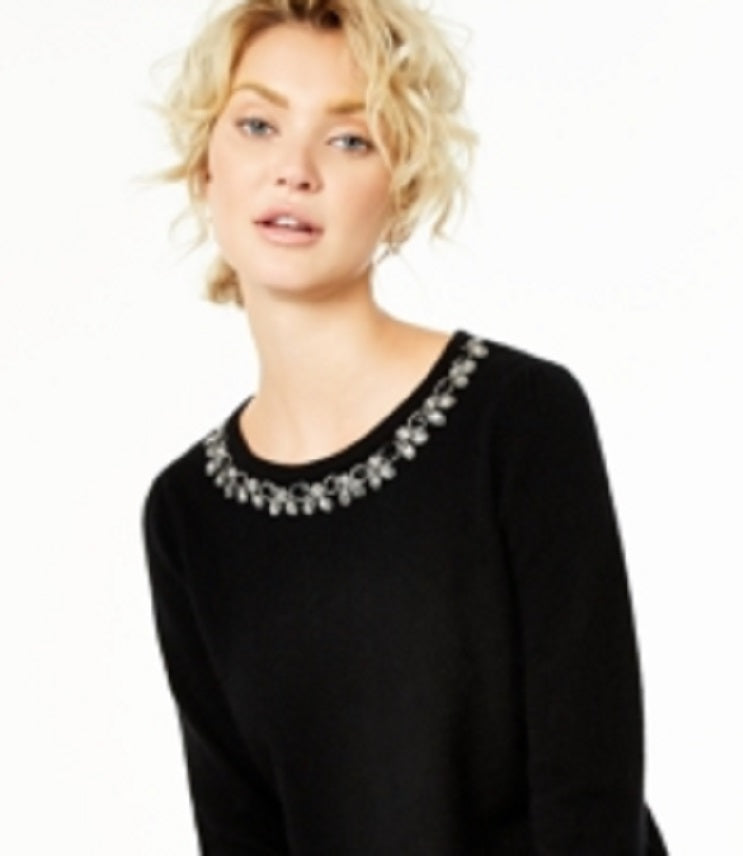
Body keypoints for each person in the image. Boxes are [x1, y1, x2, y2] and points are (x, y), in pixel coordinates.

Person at [140, 1, 668, 852]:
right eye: (257, 125)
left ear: (402, 187)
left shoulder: (516, 419)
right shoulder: (185, 513)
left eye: (349, 139)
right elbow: (238, 830)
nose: (294, 171)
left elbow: (590, 792)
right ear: (207, 166)